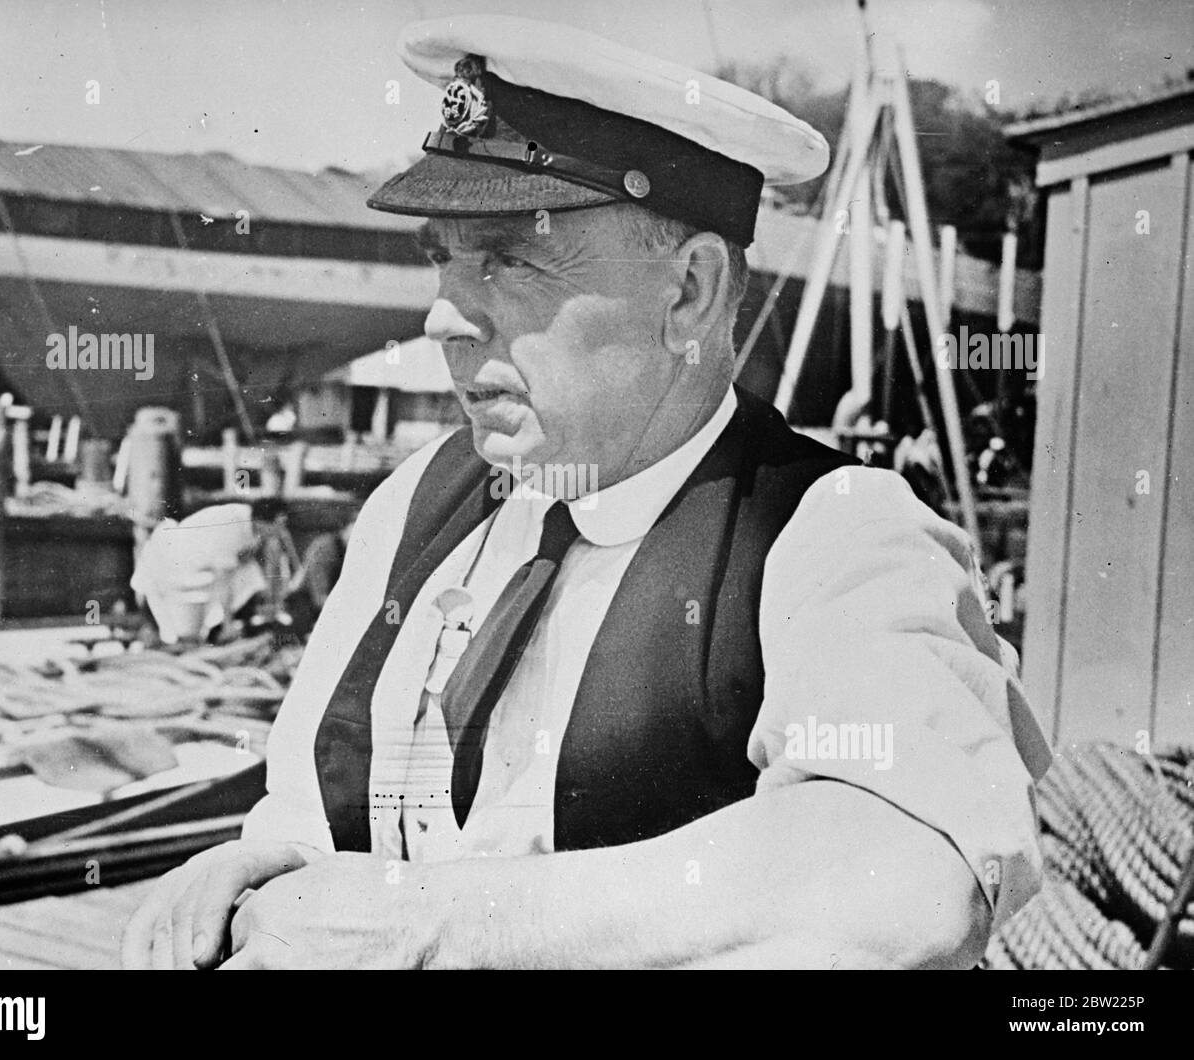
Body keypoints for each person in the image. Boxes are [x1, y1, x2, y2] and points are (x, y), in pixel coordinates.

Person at [123, 14, 1050, 970]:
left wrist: (438, 923)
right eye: (441, 257)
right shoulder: (416, 504)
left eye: (509, 260)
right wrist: (253, 871)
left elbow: (907, 872)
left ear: (689, 292)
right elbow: (318, 814)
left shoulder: (833, 533)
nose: (444, 315)